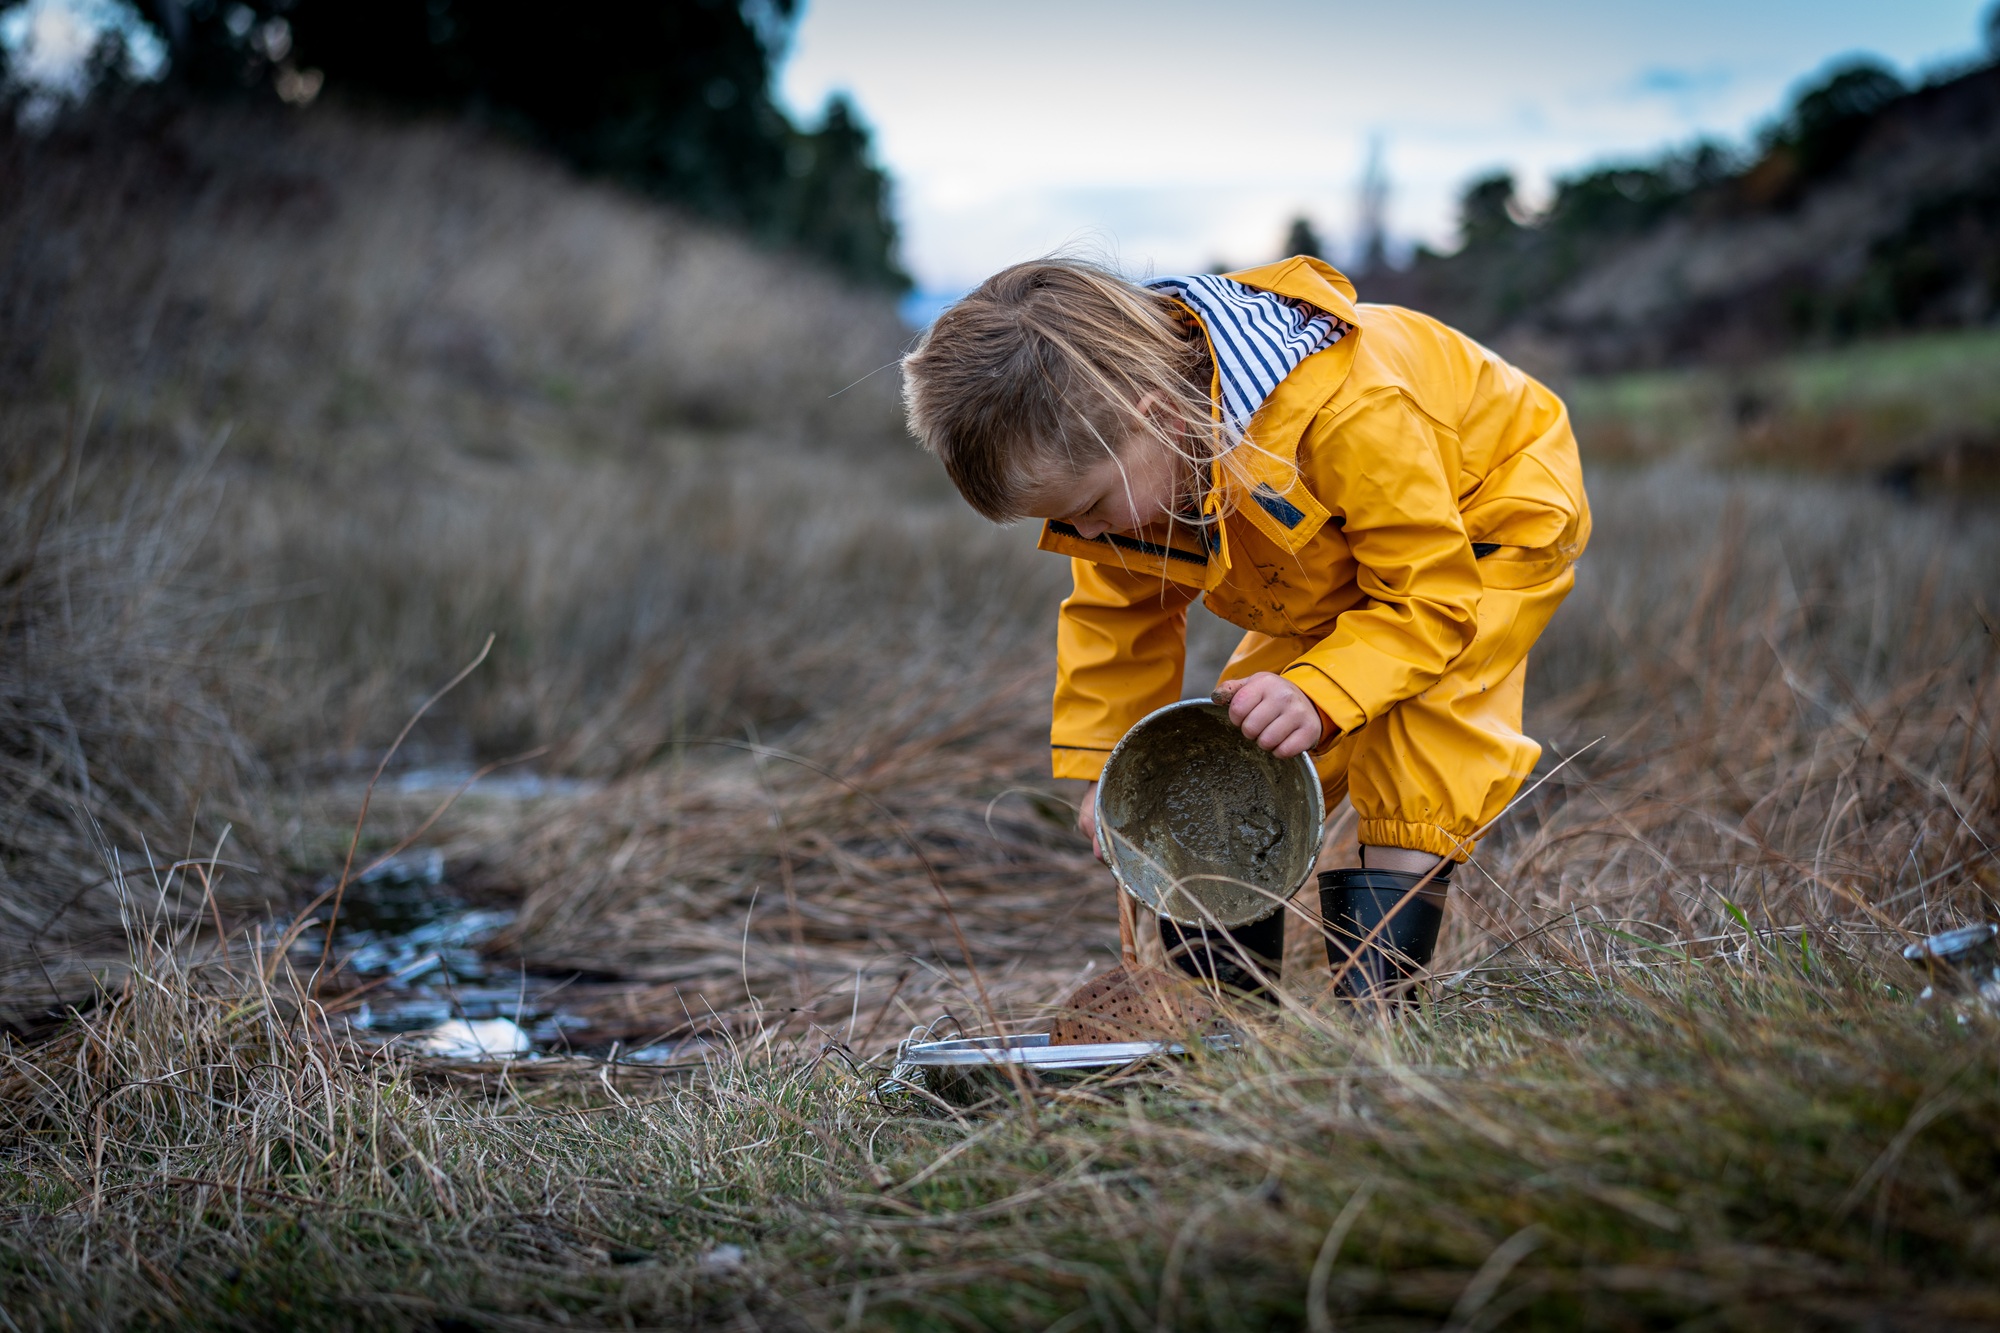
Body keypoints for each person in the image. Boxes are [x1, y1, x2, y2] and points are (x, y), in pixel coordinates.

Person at [901, 256, 1589, 1003]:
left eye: (1091, 504)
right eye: (1059, 520)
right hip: (1330, 567)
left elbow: (1429, 597)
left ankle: (1379, 1014)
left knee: (1418, 747)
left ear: (1160, 416)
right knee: (1235, 758)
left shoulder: (1350, 415)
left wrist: (1321, 691)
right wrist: (1109, 771)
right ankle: (1233, 1016)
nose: (1084, 531)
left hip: (1483, 524)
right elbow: (1116, 623)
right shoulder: (1141, 464)